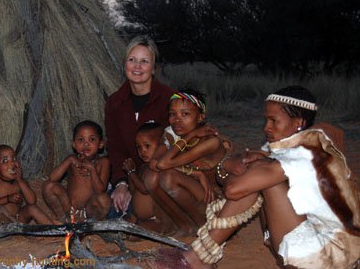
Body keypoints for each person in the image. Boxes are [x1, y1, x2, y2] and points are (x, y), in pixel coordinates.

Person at [148, 86, 360, 269]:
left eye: (273, 120)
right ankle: (199, 257)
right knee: (259, 176)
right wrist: (238, 165)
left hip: (332, 256)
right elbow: (227, 178)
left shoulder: (305, 151)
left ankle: (197, 259)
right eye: (266, 119)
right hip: (321, 246)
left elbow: (232, 189)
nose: (266, 127)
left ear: (299, 122)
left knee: (259, 182)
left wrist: (233, 164)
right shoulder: (296, 143)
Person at [104, 35, 176, 217]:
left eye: (144, 61)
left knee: (140, 212)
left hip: (160, 173)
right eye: (132, 60)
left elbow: (177, 142)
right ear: (125, 64)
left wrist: (139, 182)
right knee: (111, 212)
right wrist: (122, 183)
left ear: (153, 68)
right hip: (128, 173)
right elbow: (115, 146)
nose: (137, 66)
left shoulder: (170, 99)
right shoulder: (115, 102)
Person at [145, 90, 224, 232]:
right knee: (152, 177)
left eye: (185, 114)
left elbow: (163, 164)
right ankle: (184, 225)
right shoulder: (172, 135)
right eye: (172, 114)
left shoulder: (210, 141)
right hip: (190, 191)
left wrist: (189, 137)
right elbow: (154, 163)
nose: (177, 119)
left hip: (212, 198)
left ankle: (204, 227)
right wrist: (197, 174)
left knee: (168, 176)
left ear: (200, 118)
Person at [42, 120, 111, 222]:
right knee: (48, 186)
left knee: (104, 200)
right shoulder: (72, 160)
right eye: (81, 140)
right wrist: (69, 160)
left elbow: (100, 190)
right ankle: (65, 219)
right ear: (74, 144)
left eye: (92, 139)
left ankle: (91, 224)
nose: (86, 144)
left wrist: (92, 169)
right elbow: (52, 178)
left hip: (89, 210)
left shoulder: (103, 162)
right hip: (70, 208)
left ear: (101, 144)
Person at [122, 122, 174, 234]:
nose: (142, 151)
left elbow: (145, 189)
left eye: (147, 146)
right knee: (123, 223)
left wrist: (131, 172)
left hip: (156, 218)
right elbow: (133, 190)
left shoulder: (156, 168)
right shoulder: (144, 167)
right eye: (138, 147)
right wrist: (131, 174)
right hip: (140, 216)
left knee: (136, 232)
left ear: (162, 145)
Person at [0, 144, 53, 224]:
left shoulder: (20, 182)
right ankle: (16, 226)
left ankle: (52, 227)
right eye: (5, 161)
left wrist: (20, 180)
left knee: (31, 208)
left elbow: (32, 201)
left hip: (18, 218)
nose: (12, 163)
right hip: (0, 220)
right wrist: (7, 199)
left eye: (14, 158)